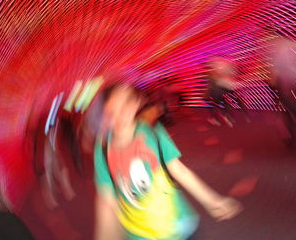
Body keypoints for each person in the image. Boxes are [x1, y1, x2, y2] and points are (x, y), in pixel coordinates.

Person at [93, 84, 242, 240]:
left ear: (136, 104)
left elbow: (179, 170)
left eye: (126, 105)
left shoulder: (152, 133)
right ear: (106, 110)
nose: (120, 114)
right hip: (139, 234)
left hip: (177, 224)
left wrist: (212, 200)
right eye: (114, 109)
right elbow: (106, 199)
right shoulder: (103, 149)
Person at [205, 57, 249, 127]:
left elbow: (214, 81)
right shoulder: (227, 65)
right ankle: (238, 115)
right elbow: (232, 75)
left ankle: (224, 118)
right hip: (225, 87)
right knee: (229, 101)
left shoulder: (214, 69)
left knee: (217, 104)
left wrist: (207, 93)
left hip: (219, 89)